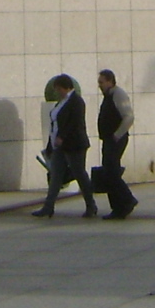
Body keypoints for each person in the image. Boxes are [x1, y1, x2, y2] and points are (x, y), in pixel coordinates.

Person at [33, 74, 97, 218]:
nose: (57, 92)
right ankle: (48, 207)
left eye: (59, 89)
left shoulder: (76, 101)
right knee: (56, 176)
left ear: (65, 87)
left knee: (79, 174)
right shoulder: (61, 102)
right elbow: (54, 125)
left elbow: (75, 123)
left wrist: (62, 137)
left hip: (74, 145)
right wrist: (51, 145)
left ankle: (91, 205)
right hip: (59, 146)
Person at [93, 68, 138, 220]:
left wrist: (116, 135)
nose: (100, 86)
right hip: (109, 139)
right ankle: (119, 206)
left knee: (111, 171)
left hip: (115, 139)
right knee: (109, 172)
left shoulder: (118, 94)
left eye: (102, 82)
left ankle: (126, 200)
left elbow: (129, 117)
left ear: (110, 81)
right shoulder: (109, 96)